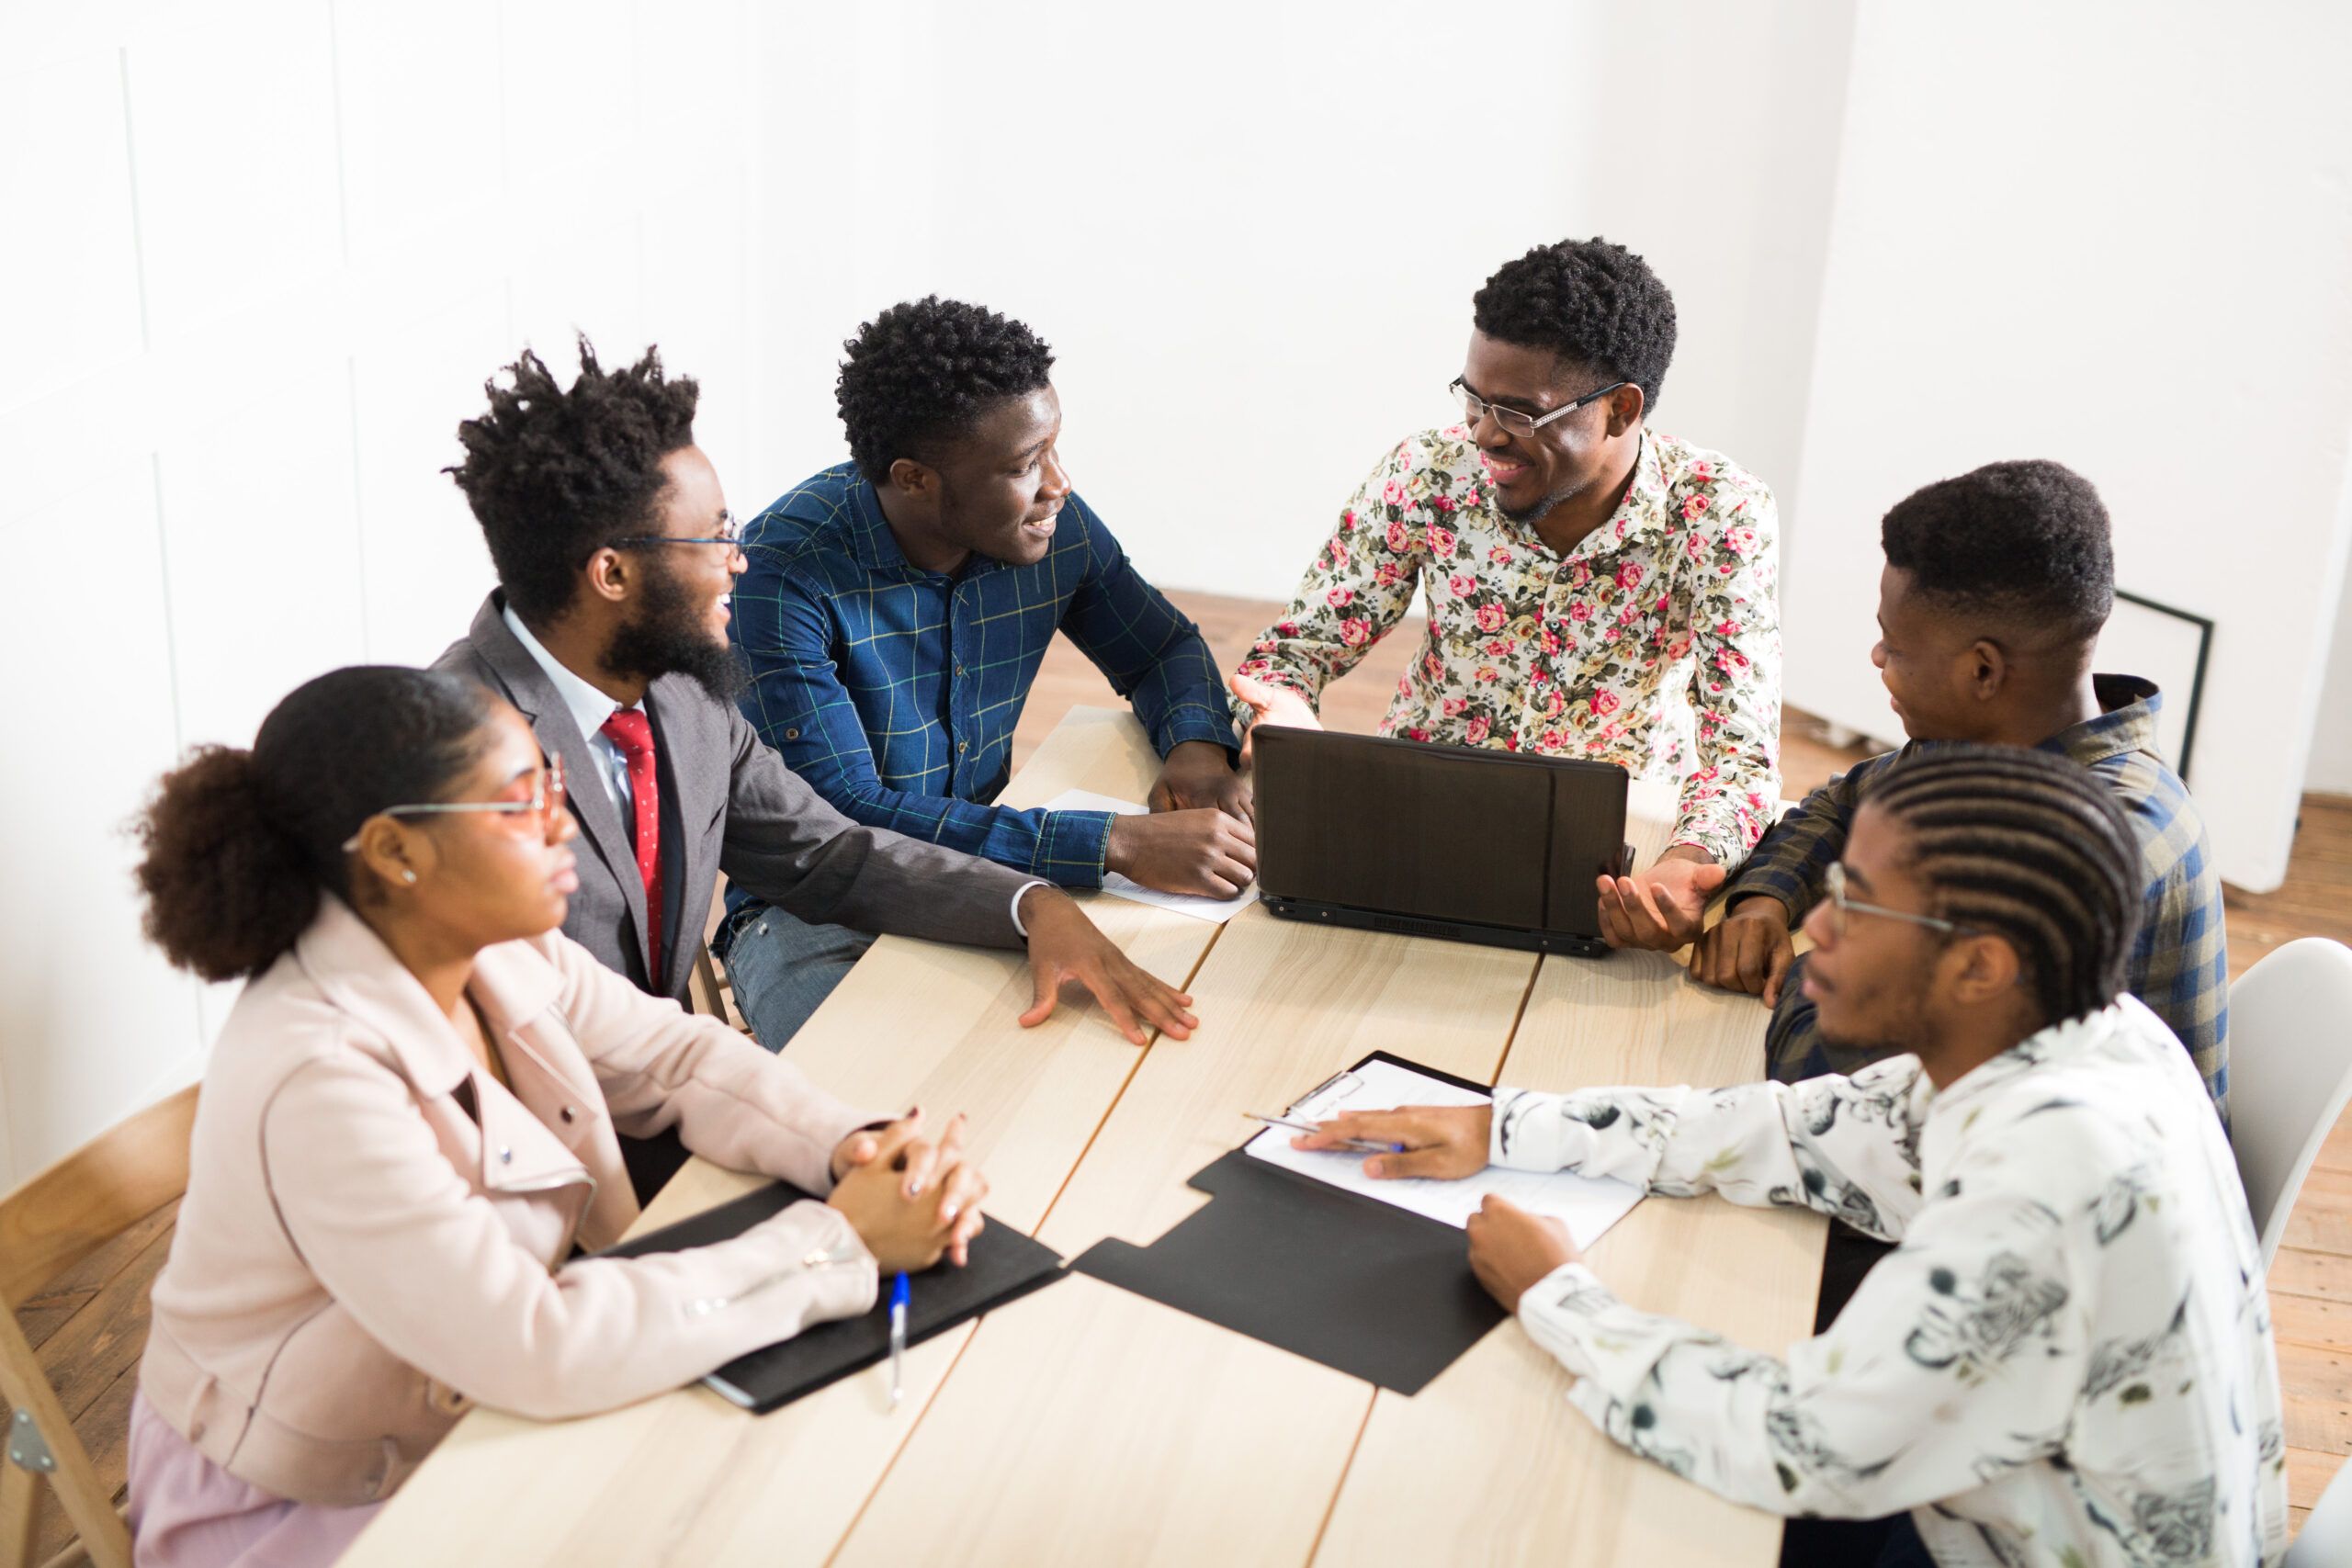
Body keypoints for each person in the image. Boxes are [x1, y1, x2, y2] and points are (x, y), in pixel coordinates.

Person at [1296, 747, 2285, 1568]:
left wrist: (1557, 1293)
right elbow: (1797, 1131)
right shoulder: (2072, 1028)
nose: (1814, 927)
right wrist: (1503, 1126)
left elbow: (1795, 1446)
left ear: (1979, 965)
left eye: (1855, 905)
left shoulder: (2041, 1185)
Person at [124, 666, 989, 1568]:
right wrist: (836, 1244)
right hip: (315, 1495)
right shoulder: (320, 1078)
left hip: (479, 1403)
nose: (562, 823)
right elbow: (533, 1344)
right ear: (392, 853)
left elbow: (675, 1053)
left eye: (553, 783)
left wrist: (849, 1146)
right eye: (521, 801)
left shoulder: (493, 941)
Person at [435, 341, 1195, 1089]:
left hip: (658, 1089)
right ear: (612, 573)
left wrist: (1031, 902)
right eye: (712, 537)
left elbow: (831, 853)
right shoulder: (449, 757)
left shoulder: (683, 695)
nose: (738, 558)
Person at [719, 297, 1253, 1046]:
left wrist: (1196, 749)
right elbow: (842, 816)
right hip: (817, 914)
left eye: (1052, 449)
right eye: (1022, 464)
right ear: (915, 480)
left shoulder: (1043, 522)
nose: (1057, 483)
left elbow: (1161, 647)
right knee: (879, 1113)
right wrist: (1114, 843)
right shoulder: (781, 577)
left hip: (999, 879)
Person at [1228, 237, 1781, 936]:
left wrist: (1689, 861)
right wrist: (1280, 711)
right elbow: (1291, 654)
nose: (1485, 436)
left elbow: (1743, 757)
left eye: (1520, 412)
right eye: (1474, 400)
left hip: (1612, 856)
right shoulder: (1427, 473)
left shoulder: (1719, 511)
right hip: (1413, 822)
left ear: (1621, 409)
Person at [1643, 459, 2228, 1114]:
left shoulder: (2081, 855)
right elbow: (1843, 804)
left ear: (1982, 669)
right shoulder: (1996, 737)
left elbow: (1836, 1072)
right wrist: (1765, 904)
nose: (1877, 658)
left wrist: (1818, 968)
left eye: (1894, 645)